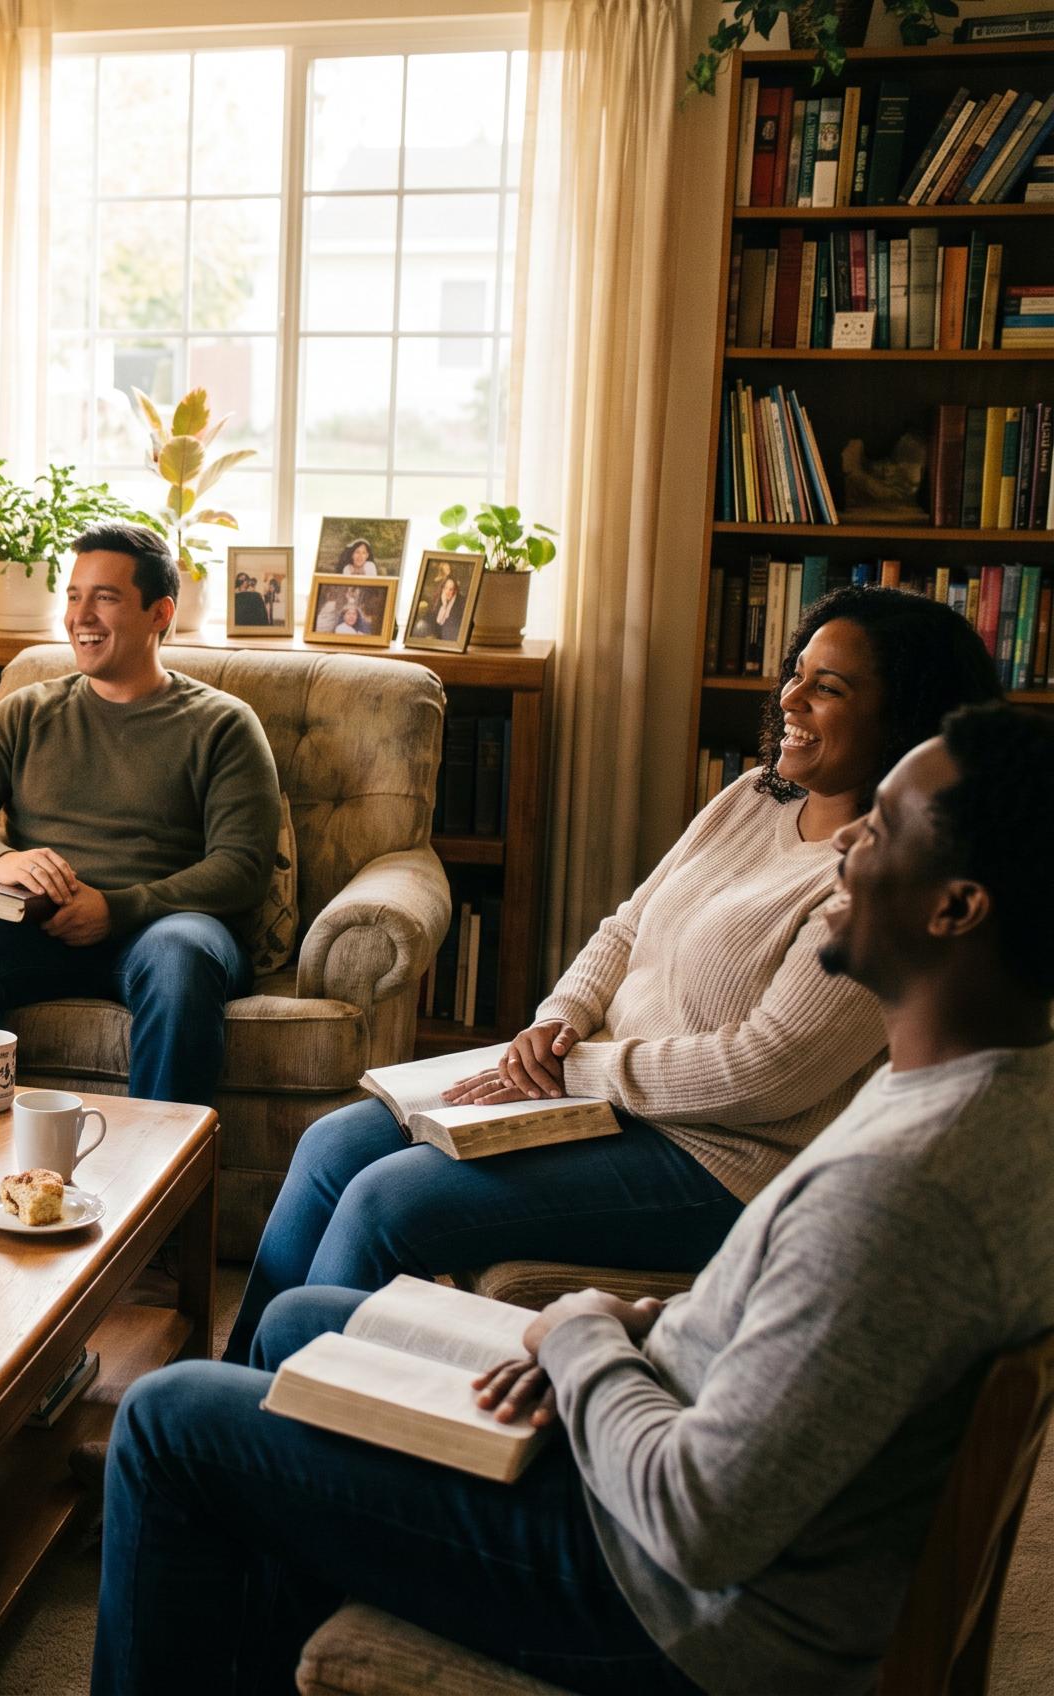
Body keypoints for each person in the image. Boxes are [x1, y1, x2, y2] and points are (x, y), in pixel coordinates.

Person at [93, 700, 1054, 1695]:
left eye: (882, 825)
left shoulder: (902, 1192)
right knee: (298, 1319)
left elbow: (700, 1521)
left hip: (668, 1603)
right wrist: (641, 1323)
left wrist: (580, 1337)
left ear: (955, 907)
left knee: (171, 1417)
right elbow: (797, 1326)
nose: (844, 840)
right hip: (657, 1444)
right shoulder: (974, 1083)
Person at [223, 586, 1001, 1364]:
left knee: (385, 1203)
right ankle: (238, 1399)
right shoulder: (755, 796)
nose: (791, 695)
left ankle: (284, 1442)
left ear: (908, 716)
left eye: (828, 687)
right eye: (796, 672)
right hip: (597, 1095)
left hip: (717, 1158)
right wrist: (554, 1024)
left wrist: (576, 1069)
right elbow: (630, 923)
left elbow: (767, 1072)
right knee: (333, 1145)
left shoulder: (885, 885)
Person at [0, 521, 279, 1109]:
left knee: (182, 957)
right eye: (75, 596)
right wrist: (0, 859)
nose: (82, 616)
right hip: (42, 934)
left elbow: (242, 868)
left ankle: (160, 1180)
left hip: (167, 930)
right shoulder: (26, 712)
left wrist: (118, 908)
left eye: (105, 598)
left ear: (160, 613)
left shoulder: (223, 725)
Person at [411, 567, 465, 642]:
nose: (447, 592)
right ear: (442, 589)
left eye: (451, 589)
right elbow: (428, 618)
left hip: (449, 634)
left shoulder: (459, 602)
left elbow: (451, 624)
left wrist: (446, 606)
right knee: (420, 625)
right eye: (446, 588)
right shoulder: (439, 599)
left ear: (455, 591)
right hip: (436, 631)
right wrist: (443, 605)